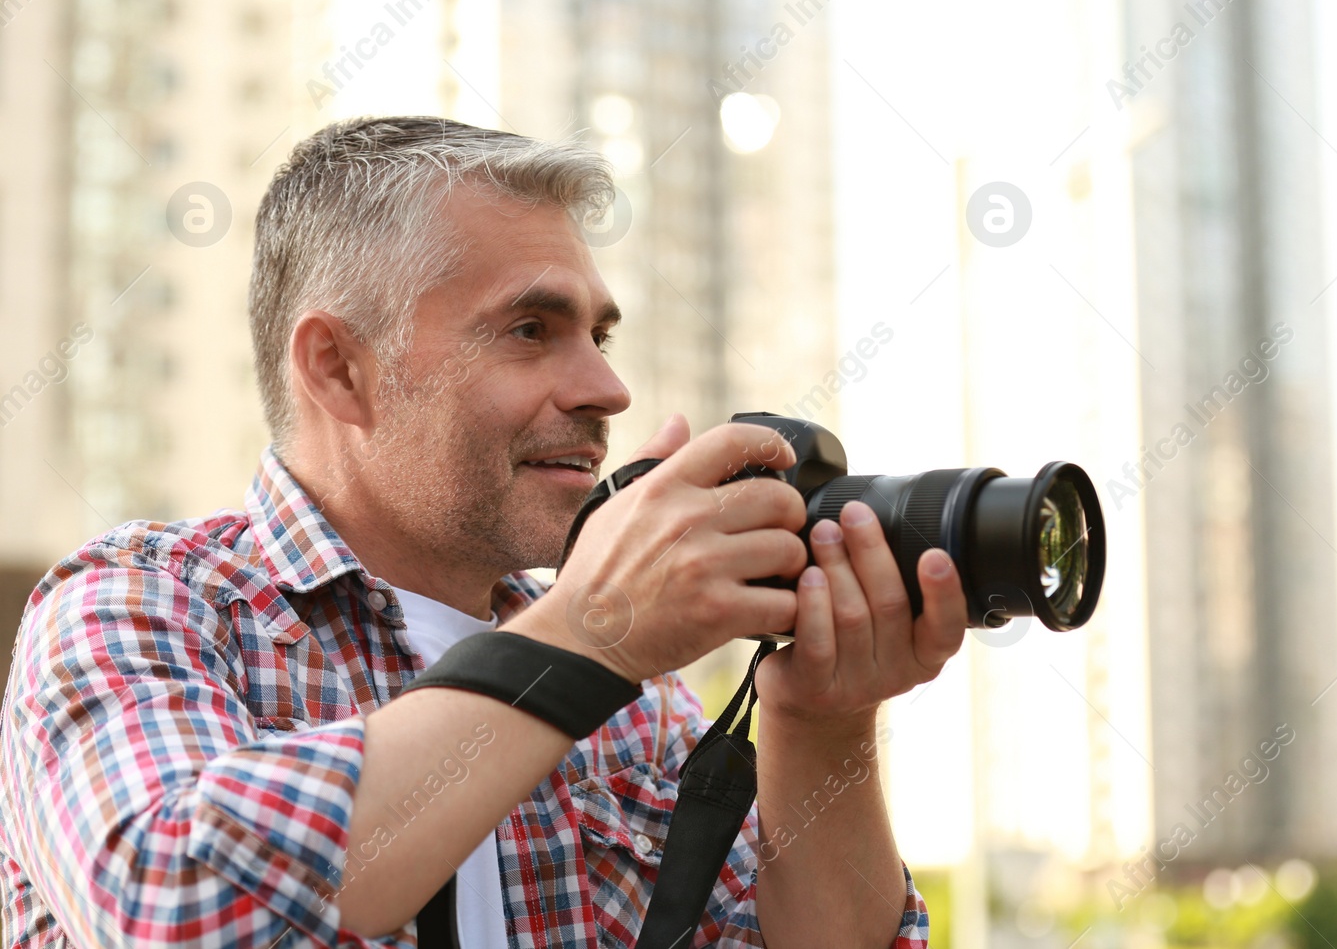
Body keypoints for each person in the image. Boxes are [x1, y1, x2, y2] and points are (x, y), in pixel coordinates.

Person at [0, 117, 968, 947]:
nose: (607, 388)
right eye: (530, 329)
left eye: (601, 333)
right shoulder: (135, 602)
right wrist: (587, 634)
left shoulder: (640, 706)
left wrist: (820, 723)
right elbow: (175, 905)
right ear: (339, 368)